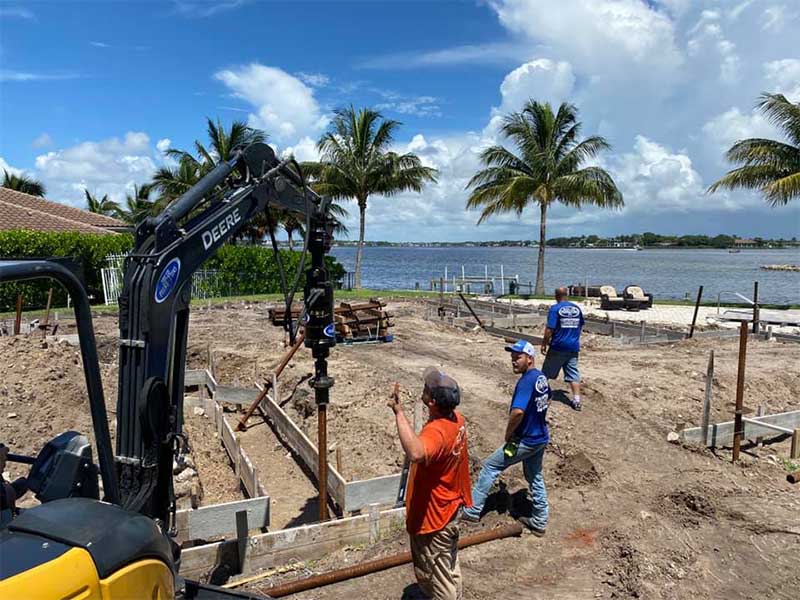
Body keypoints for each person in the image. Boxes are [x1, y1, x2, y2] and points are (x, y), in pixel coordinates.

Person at [388, 368, 472, 600]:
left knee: (437, 575)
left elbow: (415, 452)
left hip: (434, 518)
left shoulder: (437, 433)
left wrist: (398, 413)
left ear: (433, 401)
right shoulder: (458, 421)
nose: (423, 389)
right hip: (450, 509)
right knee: (448, 567)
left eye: (427, 388)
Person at [461, 340, 550, 536]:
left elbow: (518, 412)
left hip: (526, 439)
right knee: (534, 475)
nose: (513, 361)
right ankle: (540, 520)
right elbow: (546, 400)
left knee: (490, 466)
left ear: (530, 358)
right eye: (512, 357)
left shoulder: (526, 381)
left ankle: (472, 510)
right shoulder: (540, 377)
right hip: (541, 436)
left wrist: (509, 434)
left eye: (517, 357)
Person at [541, 286, 585, 411]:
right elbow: (580, 325)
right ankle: (576, 400)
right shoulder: (576, 308)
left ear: (556, 296)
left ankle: (542, 394)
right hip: (573, 346)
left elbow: (550, 328)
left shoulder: (555, 309)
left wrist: (544, 342)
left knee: (546, 373)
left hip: (558, 346)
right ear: (567, 295)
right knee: (573, 373)